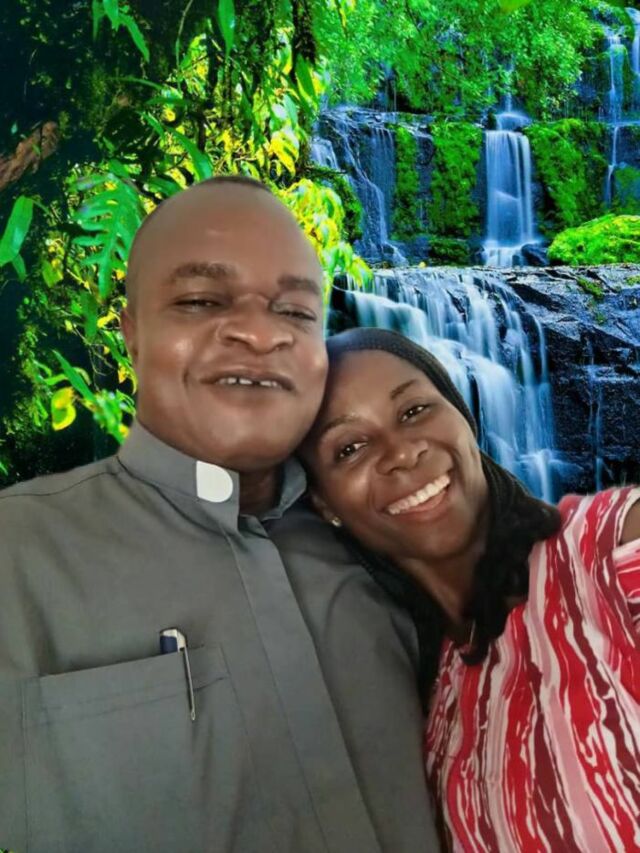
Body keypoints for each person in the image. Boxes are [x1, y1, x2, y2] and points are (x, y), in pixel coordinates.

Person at [0, 179, 439, 853]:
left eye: (295, 311)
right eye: (202, 300)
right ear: (131, 334)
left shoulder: (390, 541)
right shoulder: (17, 555)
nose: (261, 333)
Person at [301, 326, 640, 853]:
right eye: (350, 447)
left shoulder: (604, 552)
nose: (401, 453)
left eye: (413, 411)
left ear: (464, 416)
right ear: (325, 505)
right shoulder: (428, 710)